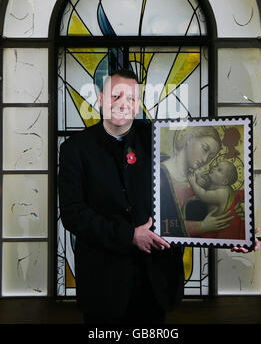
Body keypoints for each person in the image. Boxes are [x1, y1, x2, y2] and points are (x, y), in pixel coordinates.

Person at [58, 69, 184, 325]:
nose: (122, 104)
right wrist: (129, 236)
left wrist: (231, 233)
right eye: (115, 96)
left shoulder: (161, 140)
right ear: (101, 98)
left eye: (130, 98)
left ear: (137, 104)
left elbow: (187, 191)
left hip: (154, 281)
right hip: (103, 282)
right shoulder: (75, 149)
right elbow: (72, 214)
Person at [160, 126, 236, 238]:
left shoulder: (201, 183)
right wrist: (202, 226)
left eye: (210, 157)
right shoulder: (159, 172)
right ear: (190, 138)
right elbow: (158, 225)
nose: (205, 160)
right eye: (205, 149)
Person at [188, 161, 245, 239]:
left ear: (224, 181)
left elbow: (203, 195)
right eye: (216, 165)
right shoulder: (217, 185)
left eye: (219, 170)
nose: (214, 168)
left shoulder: (222, 193)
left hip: (214, 230)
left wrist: (193, 183)